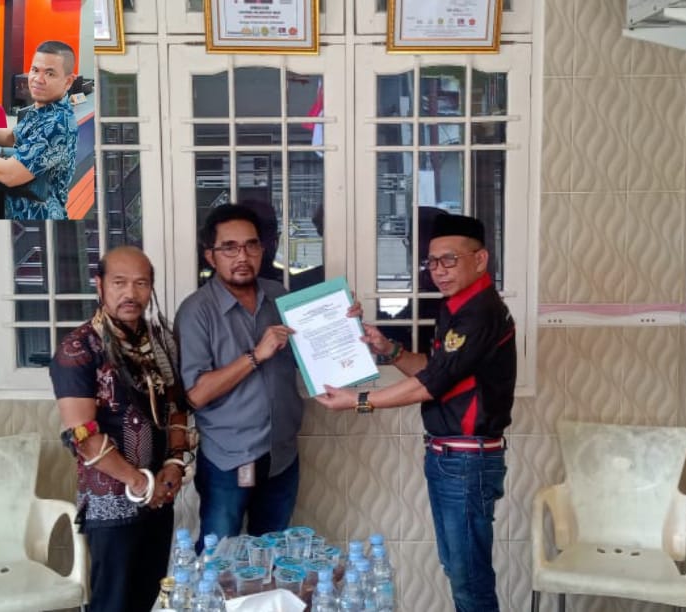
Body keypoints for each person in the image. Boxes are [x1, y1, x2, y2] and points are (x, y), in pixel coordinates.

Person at [315, 214, 516, 612]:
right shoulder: (457, 307)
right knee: (459, 570)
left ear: (480, 260)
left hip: (466, 462)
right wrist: (389, 350)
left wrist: (359, 401)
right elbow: (438, 370)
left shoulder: (480, 313)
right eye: (432, 262)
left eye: (450, 260)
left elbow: (431, 384)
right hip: (450, 458)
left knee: (470, 580)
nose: (439, 271)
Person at [49, 246, 193, 612]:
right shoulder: (79, 348)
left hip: (159, 495)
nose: (131, 293)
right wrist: (139, 483)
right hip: (111, 502)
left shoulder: (160, 342)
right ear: (99, 284)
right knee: (112, 602)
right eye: (119, 283)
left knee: (149, 596)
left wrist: (175, 464)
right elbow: (82, 436)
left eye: (141, 283)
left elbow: (177, 406)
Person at [175, 205, 303, 549]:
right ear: (211, 256)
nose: (242, 256)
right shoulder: (196, 311)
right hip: (228, 459)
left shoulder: (279, 298)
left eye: (251, 245)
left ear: (263, 249)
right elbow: (196, 394)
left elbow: (313, 354)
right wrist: (255, 355)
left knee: (273, 553)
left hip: (282, 454)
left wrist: (343, 322)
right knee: (219, 556)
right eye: (229, 248)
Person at [0, 40, 78, 221]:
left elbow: (10, 174)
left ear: (68, 81)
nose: (38, 79)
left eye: (50, 73)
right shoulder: (42, 108)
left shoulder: (58, 124)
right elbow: (14, 138)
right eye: (35, 70)